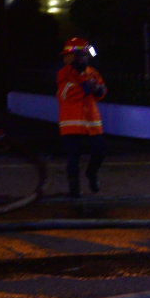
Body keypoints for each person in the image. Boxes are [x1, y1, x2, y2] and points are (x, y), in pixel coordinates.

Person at [56, 37, 107, 197]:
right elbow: (65, 94)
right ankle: (74, 185)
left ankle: (92, 174)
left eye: (86, 55)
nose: (86, 58)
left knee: (100, 151)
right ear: (74, 56)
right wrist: (86, 86)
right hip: (71, 125)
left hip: (92, 123)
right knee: (73, 157)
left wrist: (97, 88)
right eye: (83, 55)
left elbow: (102, 91)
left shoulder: (92, 72)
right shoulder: (64, 73)